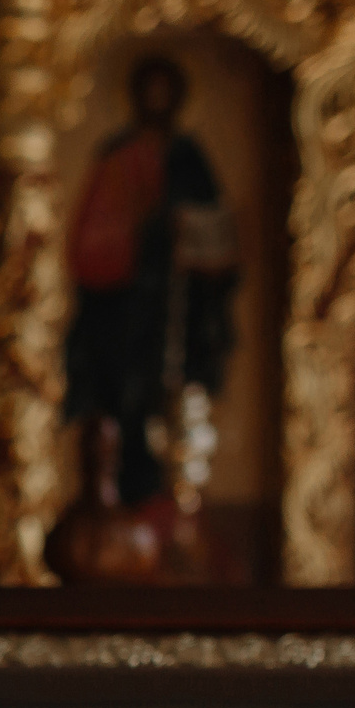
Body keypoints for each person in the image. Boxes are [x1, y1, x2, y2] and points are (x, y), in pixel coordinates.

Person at [63, 54, 238, 509]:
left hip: (177, 302)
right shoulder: (117, 155)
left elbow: (214, 233)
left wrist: (186, 230)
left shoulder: (189, 158)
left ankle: (170, 496)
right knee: (125, 400)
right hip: (123, 305)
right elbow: (93, 235)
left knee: (174, 402)